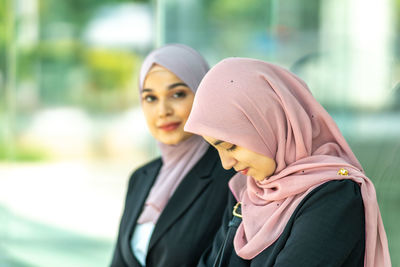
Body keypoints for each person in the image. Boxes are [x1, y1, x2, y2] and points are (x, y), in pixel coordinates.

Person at [184, 57, 391, 266]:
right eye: (216, 148)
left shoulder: (335, 194)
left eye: (230, 146)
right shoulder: (249, 192)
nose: (226, 163)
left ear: (269, 124)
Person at [110, 44, 235, 267]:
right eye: (150, 98)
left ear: (202, 95)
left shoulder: (231, 173)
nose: (163, 111)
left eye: (177, 94)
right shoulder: (141, 177)